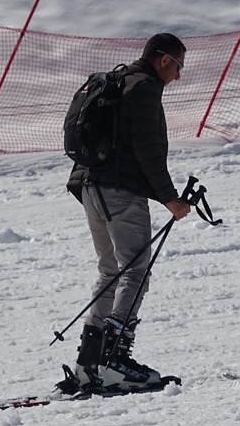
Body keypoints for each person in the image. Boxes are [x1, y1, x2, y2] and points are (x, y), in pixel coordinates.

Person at [63, 33, 191, 391]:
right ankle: (115, 360)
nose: (178, 76)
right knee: (135, 271)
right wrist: (170, 199)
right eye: (178, 66)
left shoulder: (118, 80)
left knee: (109, 272)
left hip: (90, 186)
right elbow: (147, 149)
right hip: (119, 191)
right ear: (164, 59)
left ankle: (89, 362)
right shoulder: (145, 87)